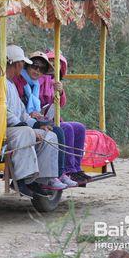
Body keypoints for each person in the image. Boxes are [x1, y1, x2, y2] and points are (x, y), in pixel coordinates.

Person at [0, 45, 66, 197]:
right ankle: (22, 180)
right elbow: (1, 111)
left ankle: (39, 181)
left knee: (50, 136)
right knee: (26, 133)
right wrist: (26, 126)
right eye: (22, 63)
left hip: (14, 127)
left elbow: (22, 112)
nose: (23, 66)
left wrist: (39, 125)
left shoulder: (10, 83)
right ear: (17, 64)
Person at [12, 51, 77, 187]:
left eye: (41, 68)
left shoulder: (37, 83)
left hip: (36, 117)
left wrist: (60, 92)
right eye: (34, 66)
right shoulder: (19, 81)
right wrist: (32, 116)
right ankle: (56, 174)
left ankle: (69, 171)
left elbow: (59, 103)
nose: (37, 70)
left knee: (68, 129)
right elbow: (18, 106)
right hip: (22, 121)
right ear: (25, 66)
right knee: (58, 131)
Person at [46, 51, 90, 183]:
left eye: (57, 63)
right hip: (46, 119)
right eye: (51, 61)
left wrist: (61, 91)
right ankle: (68, 170)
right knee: (67, 128)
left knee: (79, 127)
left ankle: (76, 167)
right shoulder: (43, 79)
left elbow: (62, 103)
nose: (54, 65)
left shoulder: (56, 81)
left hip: (55, 117)